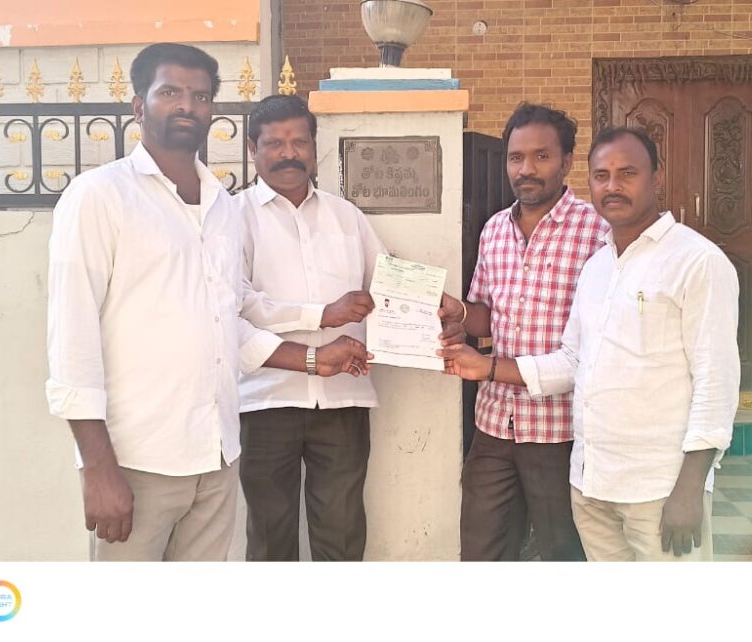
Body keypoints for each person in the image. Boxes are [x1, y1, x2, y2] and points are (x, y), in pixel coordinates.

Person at [45, 44, 371, 562]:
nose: (186, 105)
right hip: (139, 459)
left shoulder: (220, 206)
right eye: (170, 92)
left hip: (216, 455)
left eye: (199, 96)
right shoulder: (101, 197)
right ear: (138, 105)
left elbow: (226, 322)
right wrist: (98, 468)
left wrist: (315, 356)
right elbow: (72, 338)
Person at [440, 126, 740, 561]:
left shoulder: (697, 261)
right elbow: (573, 360)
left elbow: (716, 380)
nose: (613, 186)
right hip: (591, 478)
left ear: (656, 177)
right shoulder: (600, 265)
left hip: (654, 480)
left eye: (627, 173)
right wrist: (483, 361)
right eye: (602, 175)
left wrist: (692, 486)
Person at [235, 95, 465, 561]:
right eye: (275, 143)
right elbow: (237, 304)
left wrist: (435, 310)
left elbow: (385, 283)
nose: (289, 153)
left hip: (343, 398)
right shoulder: (234, 217)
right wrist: (322, 314)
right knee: (269, 536)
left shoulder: (346, 216)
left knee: (341, 537)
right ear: (253, 149)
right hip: (266, 400)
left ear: (314, 146)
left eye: (300, 142)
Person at [437, 103, 607, 561]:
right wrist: (457, 312)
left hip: (560, 429)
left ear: (566, 161)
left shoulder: (597, 233)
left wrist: (487, 365)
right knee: (482, 551)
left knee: (562, 554)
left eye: (541, 156)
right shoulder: (495, 229)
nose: (526, 169)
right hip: (494, 425)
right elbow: (486, 316)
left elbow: (595, 347)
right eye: (516, 157)